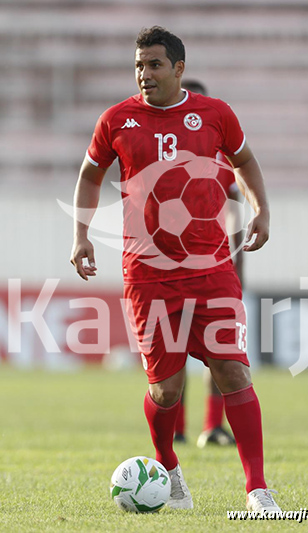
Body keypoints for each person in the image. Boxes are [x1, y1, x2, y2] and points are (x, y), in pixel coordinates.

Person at [70, 26, 281, 513]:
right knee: (165, 390)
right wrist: (80, 235)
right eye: (139, 65)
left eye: (155, 64)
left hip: (212, 270)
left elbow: (245, 161)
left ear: (179, 69)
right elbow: (89, 174)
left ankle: (257, 490)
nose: (145, 74)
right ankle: (169, 466)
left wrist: (261, 210)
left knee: (233, 372)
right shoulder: (117, 120)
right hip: (147, 274)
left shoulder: (215, 114)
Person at [173, 80, 244, 448]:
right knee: (172, 355)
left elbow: (235, 212)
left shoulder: (220, 162)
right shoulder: (161, 155)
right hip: (165, 270)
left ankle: (212, 427)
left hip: (212, 268)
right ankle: (177, 429)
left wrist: (237, 264)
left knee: (220, 352)